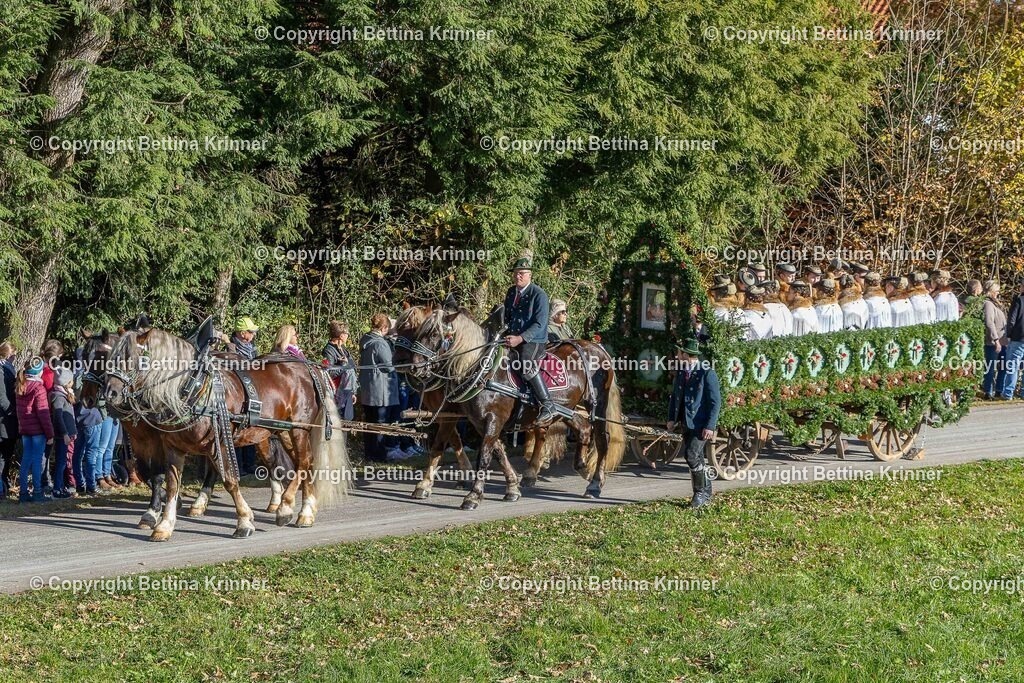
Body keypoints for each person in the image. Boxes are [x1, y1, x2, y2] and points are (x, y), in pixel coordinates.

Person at [666, 338, 720, 510]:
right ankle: (707, 493)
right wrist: (671, 418)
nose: (677, 356)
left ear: (686, 355)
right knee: (698, 458)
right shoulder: (682, 372)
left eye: (679, 353)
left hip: (701, 425)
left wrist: (710, 426)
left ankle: (699, 493)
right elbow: (675, 398)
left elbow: (715, 402)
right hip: (685, 423)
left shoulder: (706, 373)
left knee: (691, 456)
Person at [503, 256, 556, 425]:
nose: (518, 276)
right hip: (512, 337)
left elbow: (540, 324)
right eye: (516, 273)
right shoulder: (511, 292)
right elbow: (507, 317)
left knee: (525, 362)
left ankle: (547, 404)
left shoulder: (539, 295)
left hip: (534, 341)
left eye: (522, 273)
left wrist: (520, 338)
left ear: (530, 275)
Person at [359, 313, 396, 462]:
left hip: (368, 388)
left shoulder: (365, 340)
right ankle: (379, 455)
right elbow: (388, 366)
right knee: (380, 423)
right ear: (384, 327)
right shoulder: (380, 343)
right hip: (381, 389)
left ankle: (370, 453)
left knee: (369, 422)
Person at [15, 358, 53, 503]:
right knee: (37, 461)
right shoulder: (38, 388)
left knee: (26, 460)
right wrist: (50, 434)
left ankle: (23, 493)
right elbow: (43, 414)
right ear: (39, 372)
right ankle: (37, 492)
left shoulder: (21, 385)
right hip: (38, 431)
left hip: (25, 430)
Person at [49, 368, 77, 498]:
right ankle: (57, 489)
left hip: (68, 434)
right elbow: (58, 417)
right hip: (62, 436)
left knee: (64, 461)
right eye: (71, 381)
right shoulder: (58, 396)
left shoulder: (65, 394)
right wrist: (65, 433)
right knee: (60, 462)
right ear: (66, 382)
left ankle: (61, 486)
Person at [323, 321, 357, 421]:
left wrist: (352, 391)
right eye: (347, 334)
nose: (348, 336)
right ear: (341, 336)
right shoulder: (329, 350)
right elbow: (329, 373)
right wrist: (343, 366)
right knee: (340, 421)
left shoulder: (343, 349)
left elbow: (352, 367)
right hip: (337, 394)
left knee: (348, 419)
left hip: (347, 391)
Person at [981, 280, 1007, 400]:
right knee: (990, 368)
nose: (998, 293)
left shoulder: (996, 304)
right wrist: (996, 340)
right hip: (993, 342)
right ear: (990, 291)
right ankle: (988, 391)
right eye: (996, 290)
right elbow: (989, 322)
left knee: (1003, 367)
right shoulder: (988, 304)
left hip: (1003, 341)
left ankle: (999, 390)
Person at [999, 280, 1024, 401]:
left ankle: (1008, 392)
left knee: (1012, 366)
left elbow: (1012, 319)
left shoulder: (1019, 300)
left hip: (1018, 337)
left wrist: (1008, 334)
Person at [0, 342, 18, 498]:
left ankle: (4, 483)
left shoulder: (8, 368)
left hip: (9, 419)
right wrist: (13, 411)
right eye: (13, 355)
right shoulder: (1, 371)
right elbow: (2, 398)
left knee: (7, 454)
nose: (15, 358)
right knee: (2, 455)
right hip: (4, 418)